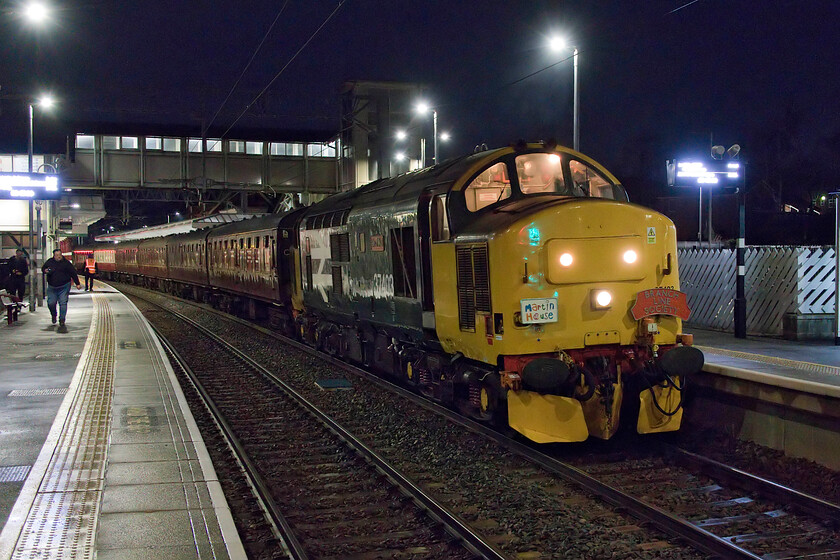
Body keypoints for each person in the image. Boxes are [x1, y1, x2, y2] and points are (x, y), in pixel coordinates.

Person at [42, 249, 81, 333]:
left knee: (63, 302)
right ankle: (53, 314)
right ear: (54, 255)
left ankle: (62, 319)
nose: (59, 256)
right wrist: (45, 271)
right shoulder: (49, 262)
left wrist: (77, 283)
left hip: (64, 286)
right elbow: (43, 269)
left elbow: (73, 273)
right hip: (52, 287)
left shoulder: (66, 263)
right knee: (51, 303)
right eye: (57, 255)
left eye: (60, 255)